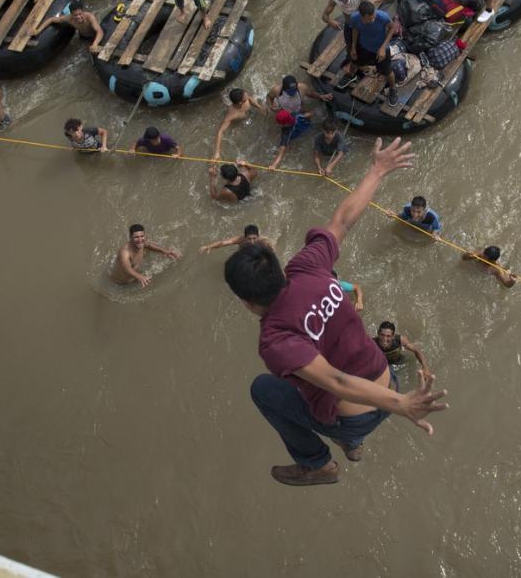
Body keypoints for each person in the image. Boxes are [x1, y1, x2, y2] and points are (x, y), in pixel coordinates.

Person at [224, 137, 448, 486]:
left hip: (373, 406)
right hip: (388, 379)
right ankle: (352, 446)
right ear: (279, 268)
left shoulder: (276, 339)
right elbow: (343, 221)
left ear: (246, 302)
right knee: (313, 374)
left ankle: (316, 462)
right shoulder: (307, 265)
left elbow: (337, 382)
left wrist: (402, 404)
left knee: (264, 389)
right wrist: (377, 169)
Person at [338, 1, 401, 106]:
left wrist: (383, 47)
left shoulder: (382, 17)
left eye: (373, 17)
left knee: (387, 71)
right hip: (364, 46)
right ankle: (350, 76)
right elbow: (355, 29)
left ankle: (393, 89)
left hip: (380, 49)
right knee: (354, 61)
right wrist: (353, 46)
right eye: (368, 19)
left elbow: (393, 28)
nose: (372, 20)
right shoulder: (354, 18)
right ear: (361, 16)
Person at [110, 223, 181, 287]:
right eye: (136, 237)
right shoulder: (125, 252)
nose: (140, 240)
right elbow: (127, 269)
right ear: (130, 237)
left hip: (135, 278)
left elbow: (148, 245)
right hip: (121, 283)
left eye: (142, 236)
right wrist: (139, 277)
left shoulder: (142, 242)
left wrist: (165, 251)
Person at [32, 2, 105, 52]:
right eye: (75, 15)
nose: (78, 17)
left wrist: (95, 44)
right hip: (82, 35)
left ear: (83, 12)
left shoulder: (89, 17)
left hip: (94, 36)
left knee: (93, 50)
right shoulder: (69, 18)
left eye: (80, 14)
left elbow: (99, 31)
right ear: (71, 14)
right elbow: (51, 19)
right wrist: (38, 30)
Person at [212, 88, 263, 159]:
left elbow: (250, 99)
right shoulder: (232, 114)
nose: (247, 95)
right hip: (240, 121)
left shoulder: (245, 97)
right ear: (240, 103)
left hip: (248, 114)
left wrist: (259, 107)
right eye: (245, 97)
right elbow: (220, 131)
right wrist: (217, 152)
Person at [266, 74, 332, 121]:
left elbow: (311, 93)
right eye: (290, 91)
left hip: (299, 107)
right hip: (284, 108)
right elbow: (269, 97)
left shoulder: (302, 87)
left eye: (294, 90)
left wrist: (321, 96)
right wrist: (271, 105)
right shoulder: (276, 90)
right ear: (284, 89)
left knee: (310, 116)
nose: (293, 93)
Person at [199, 224, 275, 253]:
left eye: (254, 238)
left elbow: (272, 252)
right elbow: (222, 243)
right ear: (245, 237)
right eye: (249, 239)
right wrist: (209, 246)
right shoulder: (240, 240)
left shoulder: (264, 241)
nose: (252, 242)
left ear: (258, 236)